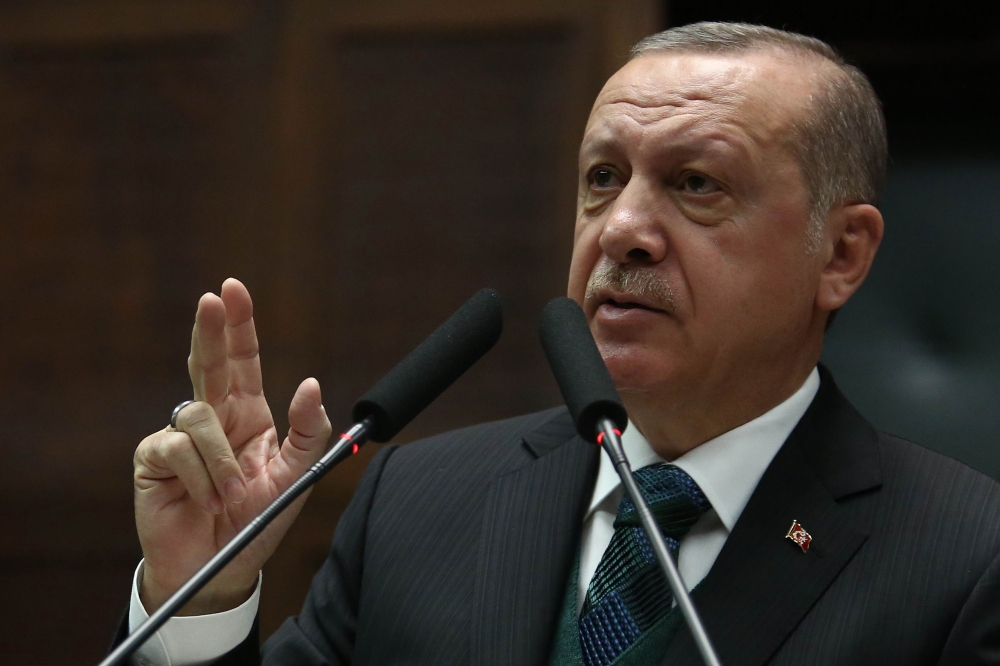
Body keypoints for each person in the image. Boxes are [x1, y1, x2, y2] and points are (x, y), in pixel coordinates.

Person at [115, 22, 1000, 665]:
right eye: (603, 179)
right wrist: (207, 597)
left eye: (696, 184)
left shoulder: (963, 559)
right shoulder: (418, 507)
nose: (621, 231)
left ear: (841, 254)